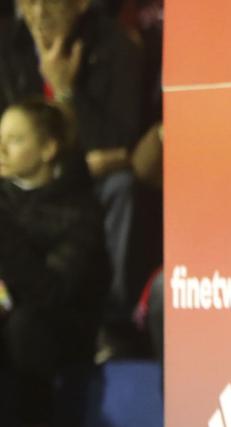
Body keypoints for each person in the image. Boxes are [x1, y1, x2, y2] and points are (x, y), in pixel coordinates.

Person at [0, 0, 143, 349]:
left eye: (47, 2)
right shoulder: (10, 47)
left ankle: (113, 319)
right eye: (28, 3)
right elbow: (13, 136)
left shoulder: (115, 47)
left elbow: (117, 139)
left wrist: (64, 90)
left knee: (120, 187)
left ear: (79, 4)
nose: (38, 13)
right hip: (27, 177)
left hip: (83, 180)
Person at [0, 98, 105, 427]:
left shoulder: (79, 208)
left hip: (62, 328)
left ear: (48, 149)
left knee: (26, 327)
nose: (2, 150)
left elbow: (53, 291)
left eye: (15, 139)